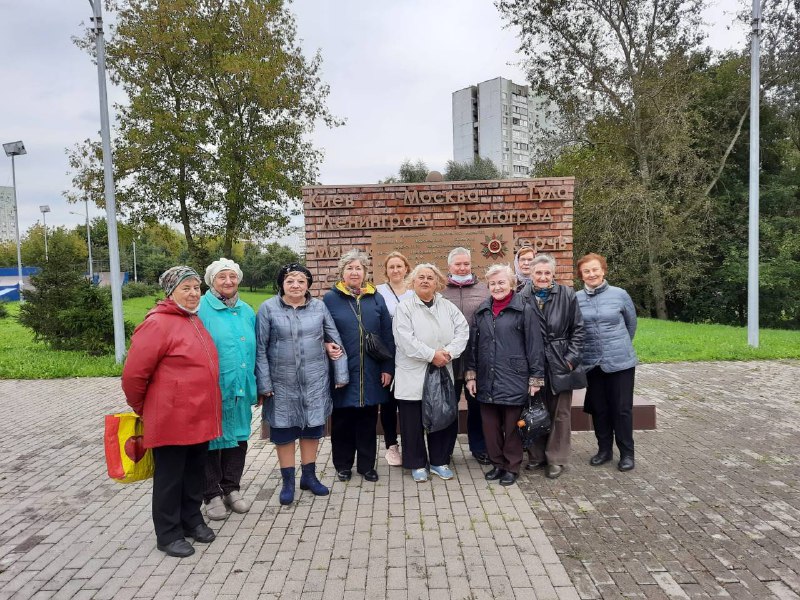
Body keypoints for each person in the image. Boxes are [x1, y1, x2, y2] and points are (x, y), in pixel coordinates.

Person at [122, 266, 221, 558]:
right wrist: (145, 408)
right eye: (186, 288)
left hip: (199, 415)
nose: (193, 294)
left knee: (194, 473)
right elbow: (133, 376)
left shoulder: (192, 320)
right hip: (171, 418)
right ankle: (167, 533)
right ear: (171, 292)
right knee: (170, 477)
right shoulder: (157, 323)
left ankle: (191, 520)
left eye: (196, 288)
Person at [256, 264, 349, 504]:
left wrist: (340, 375)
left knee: (311, 429)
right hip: (281, 382)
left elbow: (334, 340)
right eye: (290, 281)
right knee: (284, 432)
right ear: (282, 284)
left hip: (314, 380)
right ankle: (288, 482)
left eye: (300, 281)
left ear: (308, 284)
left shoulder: (319, 307)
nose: (295, 285)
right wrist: (264, 383)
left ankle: (309, 476)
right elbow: (260, 349)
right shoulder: (268, 309)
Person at [465, 264, 545, 487]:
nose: (497, 287)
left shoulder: (525, 309)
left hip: (514, 376)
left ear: (511, 284)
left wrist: (536, 379)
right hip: (486, 378)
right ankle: (497, 464)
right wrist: (471, 375)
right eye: (492, 283)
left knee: (511, 428)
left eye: (501, 282)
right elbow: (473, 345)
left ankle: (511, 467)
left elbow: (535, 346)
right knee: (490, 427)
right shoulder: (482, 310)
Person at [393, 263, 470, 483]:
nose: (426, 281)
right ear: (413, 282)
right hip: (414, 372)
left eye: (430, 277)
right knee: (412, 421)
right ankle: (416, 463)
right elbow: (404, 339)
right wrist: (430, 355)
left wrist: (448, 353)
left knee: (441, 417)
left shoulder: (447, 306)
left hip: (441, 368)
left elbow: (462, 331)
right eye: (421, 278)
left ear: (437, 282)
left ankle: (439, 461)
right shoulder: (404, 308)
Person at [323, 249, 395, 483]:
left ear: (365, 272)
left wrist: (387, 367)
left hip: (372, 371)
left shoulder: (376, 297)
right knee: (342, 420)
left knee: (367, 420)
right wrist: (325, 345)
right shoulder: (330, 298)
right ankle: (342, 465)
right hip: (343, 370)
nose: (354, 272)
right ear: (342, 272)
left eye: (359, 268)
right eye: (350, 268)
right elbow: (320, 330)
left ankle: (366, 466)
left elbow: (386, 334)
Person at [197, 258, 257, 520]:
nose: (228, 282)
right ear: (211, 281)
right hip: (211, 387)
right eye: (222, 277)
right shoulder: (200, 309)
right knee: (211, 440)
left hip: (241, 386)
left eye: (232, 276)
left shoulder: (246, 310)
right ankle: (210, 494)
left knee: (238, 438)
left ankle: (232, 488)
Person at [519, 254, 585, 479]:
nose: (543, 277)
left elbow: (578, 329)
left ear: (553, 274)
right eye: (538, 273)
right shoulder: (522, 296)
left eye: (547, 273)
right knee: (534, 409)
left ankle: (556, 458)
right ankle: (536, 455)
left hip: (560, 359)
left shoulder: (567, 294)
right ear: (530, 274)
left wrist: (570, 359)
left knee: (560, 413)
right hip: (533, 361)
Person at [576, 253, 638, 472]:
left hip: (620, 362)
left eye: (595, 269)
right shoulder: (576, 299)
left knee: (622, 410)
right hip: (592, 363)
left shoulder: (619, 295)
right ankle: (604, 450)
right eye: (586, 271)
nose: (591, 274)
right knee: (600, 409)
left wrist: (618, 346)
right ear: (581, 275)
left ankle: (627, 454)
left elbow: (631, 325)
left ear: (603, 270)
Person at [441, 247, 491, 466]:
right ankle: (445, 449)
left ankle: (479, 448)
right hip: (448, 360)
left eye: (466, 264)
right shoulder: (440, 291)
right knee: (448, 407)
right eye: (458, 264)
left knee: (477, 407)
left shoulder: (485, 290)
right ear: (449, 266)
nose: (462, 268)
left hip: (476, 360)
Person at [375, 251, 414, 467]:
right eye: (391, 267)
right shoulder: (379, 292)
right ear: (386, 270)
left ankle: (412, 444)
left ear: (406, 268)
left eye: (399, 266)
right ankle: (391, 445)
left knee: (410, 403)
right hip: (388, 355)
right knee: (388, 403)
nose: (396, 270)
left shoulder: (414, 291)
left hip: (411, 356)